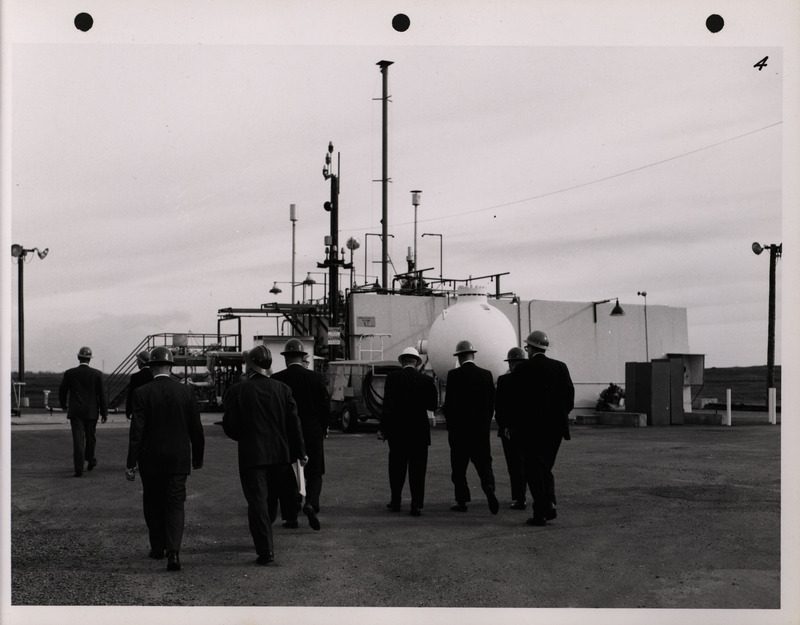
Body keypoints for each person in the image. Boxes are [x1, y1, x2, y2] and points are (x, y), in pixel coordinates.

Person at [222, 345, 307, 565]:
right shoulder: (283, 390)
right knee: (270, 500)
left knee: (257, 501)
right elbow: (293, 425)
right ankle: (264, 536)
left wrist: (246, 437)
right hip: (280, 454)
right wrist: (301, 453)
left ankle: (265, 549)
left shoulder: (237, 390)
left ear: (250, 364)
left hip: (252, 456)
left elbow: (230, 426)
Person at [126, 346, 205, 571]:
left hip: (150, 460)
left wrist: (131, 463)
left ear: (151, 367)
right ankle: (174, 553)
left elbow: (136, 433)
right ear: (171, 367)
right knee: (175, 504)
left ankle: (157, 546)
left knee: (152, 502)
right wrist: (197, 458)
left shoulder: (142, 393)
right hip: (178, 460)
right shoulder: (186, 392)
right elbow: (196, 430)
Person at [510, 330, 574, 527]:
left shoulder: (522, 370)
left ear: (530, 348)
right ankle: (548, 506)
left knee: (533, 470)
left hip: (531, 430)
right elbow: (569, 398)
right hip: (555, 429)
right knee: (545, 467)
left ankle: (541, 513)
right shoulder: (560, 367)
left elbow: (516, 403)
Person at [272, 338, 329, 531]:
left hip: (287, 433)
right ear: (303, 357)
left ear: (286, 358)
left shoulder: (277, 380)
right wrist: (324, 427)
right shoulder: (316, 378)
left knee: (287, 475)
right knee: (314, 473)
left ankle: (290, 517)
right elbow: (324, 407)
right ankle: (311, 503)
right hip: (312, 432)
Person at [441, 340, 499, 515]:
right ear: (473, 355)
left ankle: (462, 501)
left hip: (459, 432)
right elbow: (491, 404)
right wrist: (485, 423)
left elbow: (448, 405)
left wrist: (451, 426)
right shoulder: (486, 375)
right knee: (484, 464)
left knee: (459, 468)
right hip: (480, 432)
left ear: (458, 357)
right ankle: (489, 488)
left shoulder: (453, 375)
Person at [379, 346, 439, 517]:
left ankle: (396, 501)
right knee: (418, 469)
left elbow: (387, 406)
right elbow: (432, 406)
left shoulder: (393, 378)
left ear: (403, 361)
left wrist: (383, 429)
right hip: (419, 433)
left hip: (397, 432)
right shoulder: (426, 381)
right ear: (417, 362)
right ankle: (416, 504)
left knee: (396, 468)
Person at [58, 346, 108, 477]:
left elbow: (62, 390)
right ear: (90, 359)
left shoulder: (70, 373)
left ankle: (78, 468)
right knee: (91, 437)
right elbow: (102, 395)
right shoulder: (97, 374)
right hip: (92, 412)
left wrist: (63, 405)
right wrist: (104, 412)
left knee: (78, 440)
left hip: (76, 412)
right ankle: (90, 459)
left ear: (78, 357)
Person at [495, 346, 528, 510]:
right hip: (529, 430)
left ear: (511, 363)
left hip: (510, 431)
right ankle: (533, 497)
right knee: (530, 464)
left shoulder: (504, 380)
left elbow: (499, 407)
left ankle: (518, 498)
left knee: (514, 466)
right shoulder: (531, 381)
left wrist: (505, 425)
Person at [125, 350, 153, 420]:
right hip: (153, 410)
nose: (137, 362)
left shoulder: (135, 377)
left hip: (139, 411)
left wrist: (129, 411)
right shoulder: (154, 375)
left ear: (141, 362)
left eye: (138, 361)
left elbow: (131, 395)